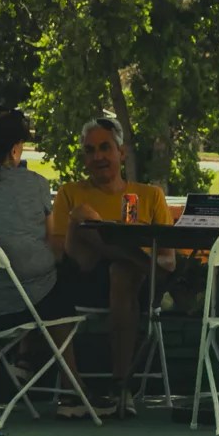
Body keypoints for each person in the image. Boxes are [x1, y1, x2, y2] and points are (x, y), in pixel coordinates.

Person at [48, 115, 176, 418]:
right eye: (90, 150)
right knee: (83, 214)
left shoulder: (149, 195)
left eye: (105, 148)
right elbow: (58, 252)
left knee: (122, 271)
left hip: (135, 286)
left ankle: (121, 384)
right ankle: (131, 257)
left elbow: (169, 259)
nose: (98, 157)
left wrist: (125, 255)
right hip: (83, 279)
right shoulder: (70, 192)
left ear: (122, 152)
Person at [0, 110, 60, 324]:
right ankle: (63, 348)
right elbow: (53, 241)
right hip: (31, 303)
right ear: (14, 150)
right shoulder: (36, 183)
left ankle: (25, 347)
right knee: (62, 285)